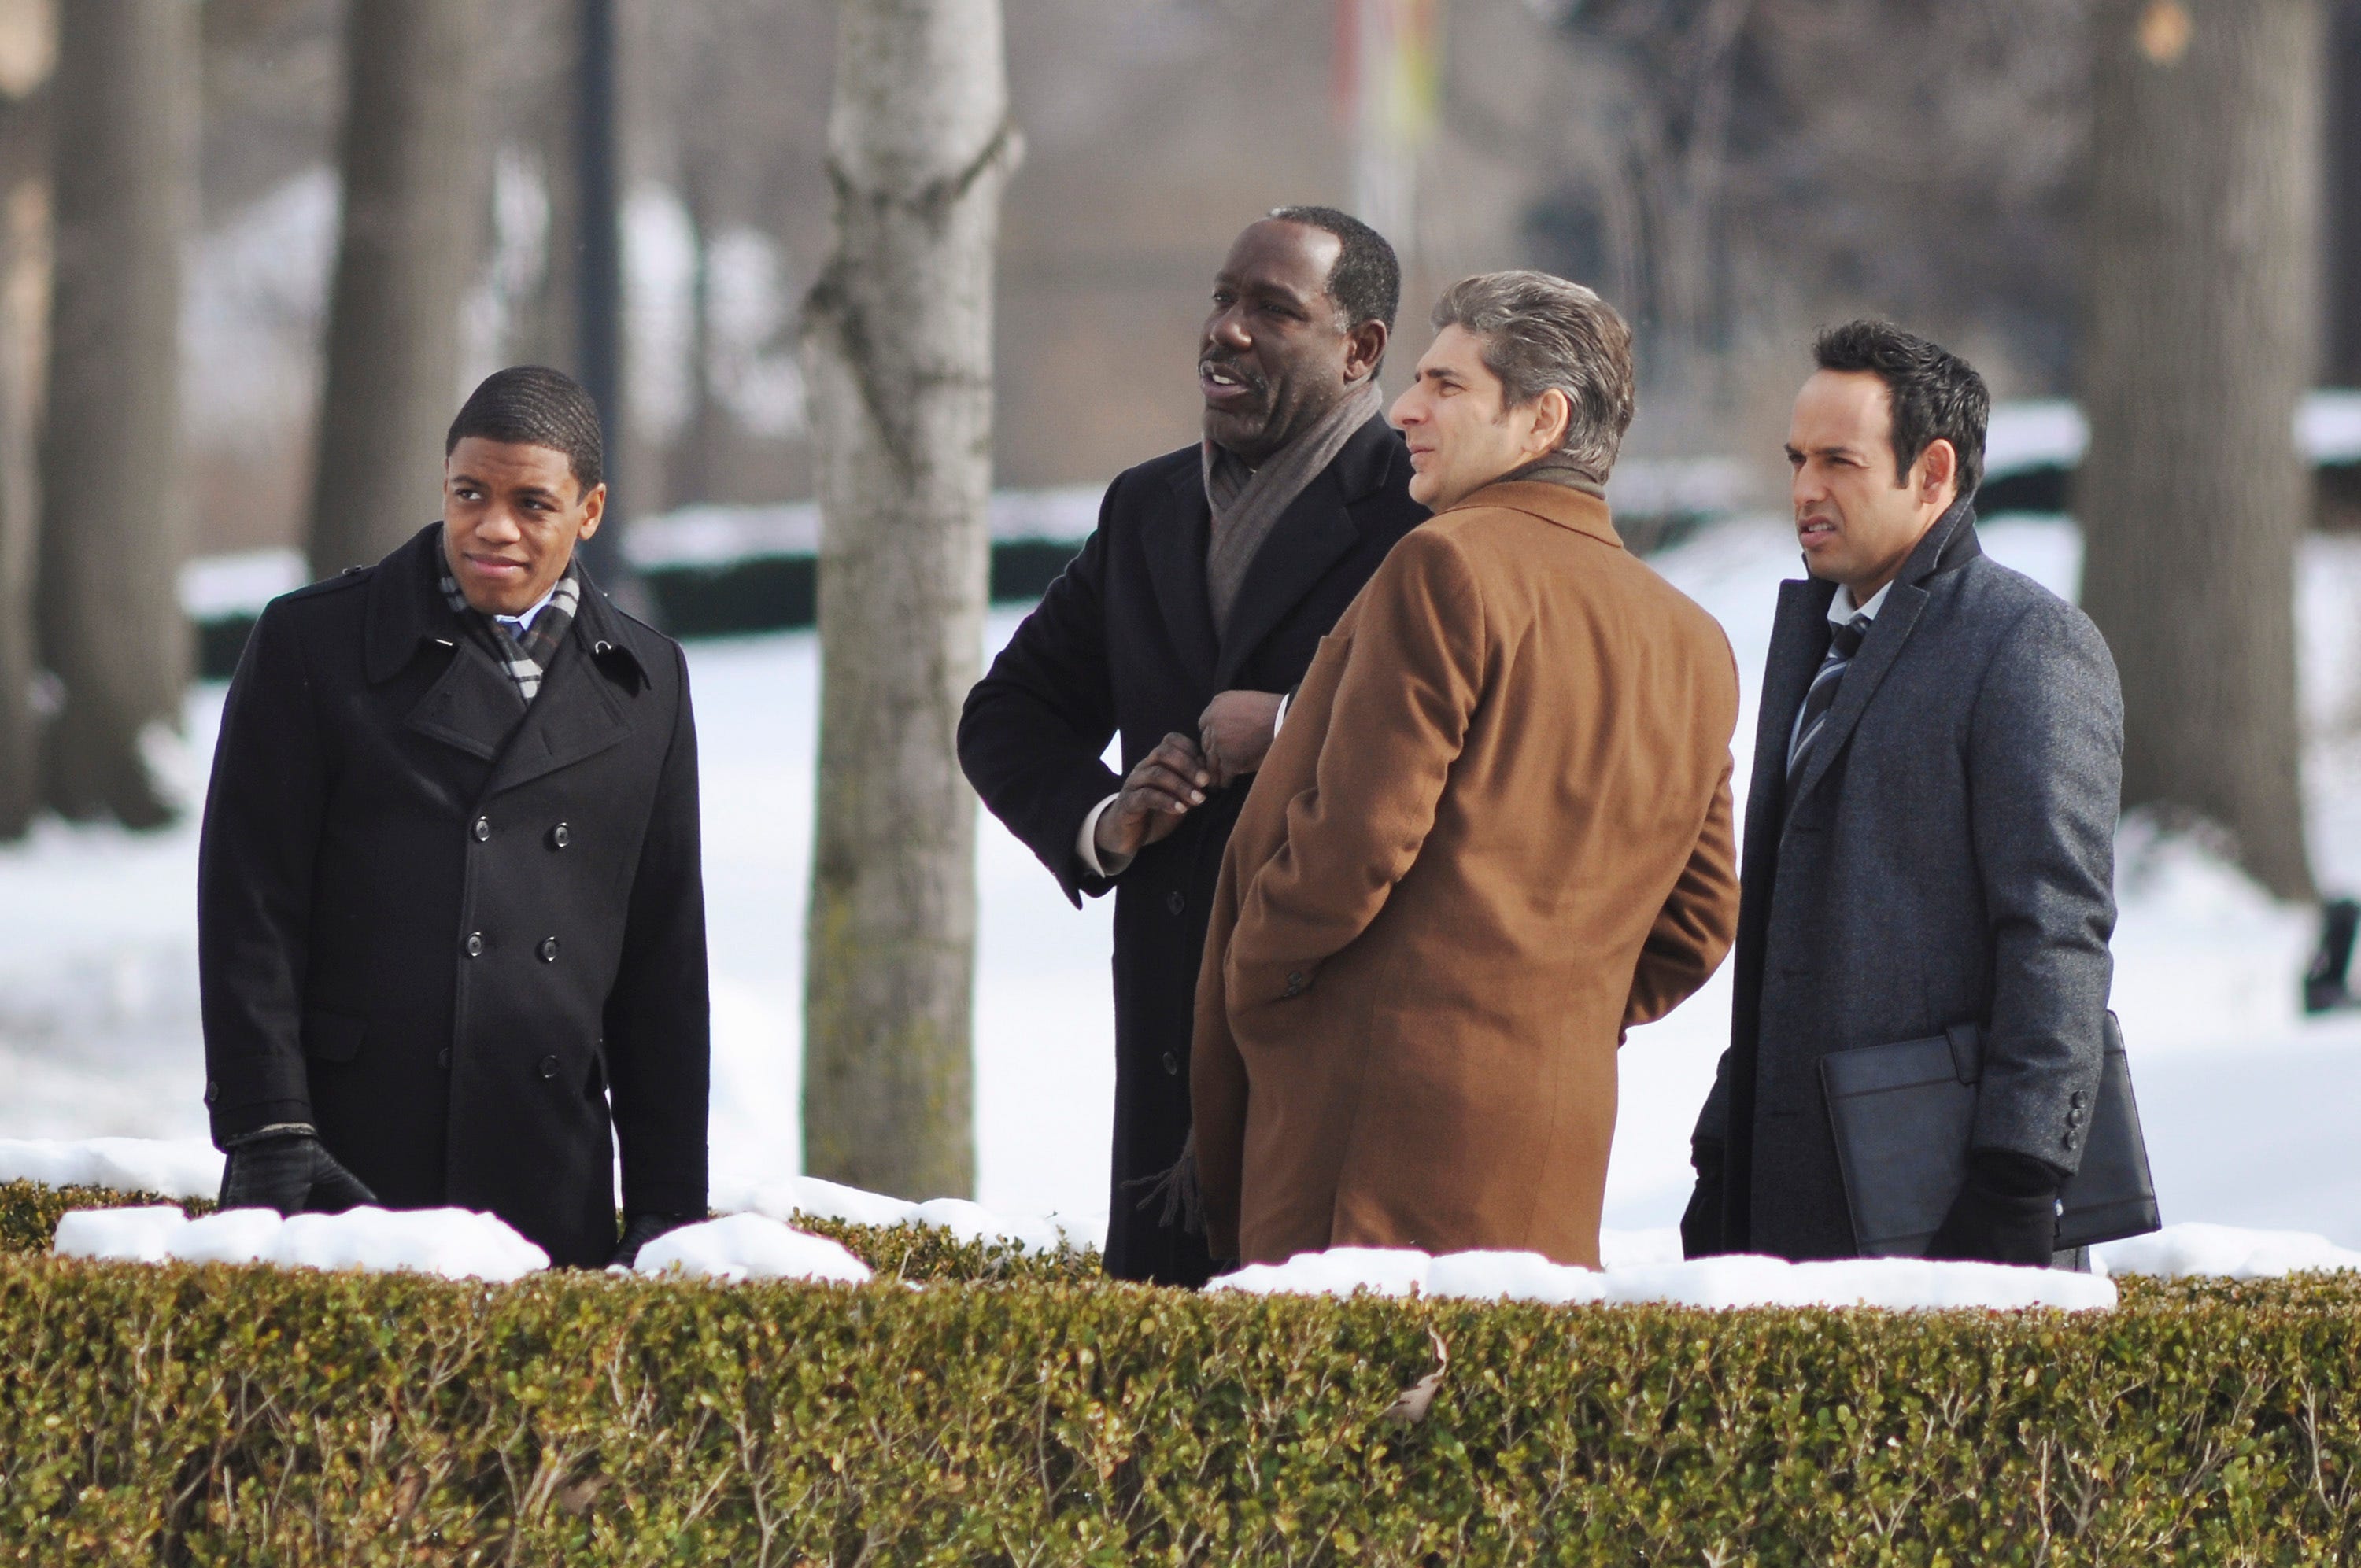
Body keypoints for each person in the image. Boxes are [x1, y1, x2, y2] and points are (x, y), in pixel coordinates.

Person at [1191, 271, 1741, 1271]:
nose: (1404, 409)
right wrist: (1552, 1015)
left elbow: (1354, 842)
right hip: (1557, 1132)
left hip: (1372, 1134)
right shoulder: (1695, 640)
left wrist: (1264, 981)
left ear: (1544, 421)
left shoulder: (1443, 565)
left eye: (1446, 386)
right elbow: (1699, 923)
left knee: (1348, 1423)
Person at [958, 208, 1427, 1286]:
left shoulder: (1421, 516)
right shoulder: (1148, 506)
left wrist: (1300, 716)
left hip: (1335, 1050)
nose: (1228, 330)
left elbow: (1475, 745)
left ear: (1361, 349)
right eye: (1223, 298)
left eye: (1274, 308)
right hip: (1170, 1057)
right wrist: (1105, 819)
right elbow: (1007, 715)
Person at [198, 366, 710, 1270]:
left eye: (532, 503)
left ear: (590, 512)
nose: (493, 527)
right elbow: (249, 904)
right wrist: (268, 1123)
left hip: (551, 1176)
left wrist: (669, 1201)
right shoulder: (312, 643)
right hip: (345, 1171)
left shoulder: (649, 681)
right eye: (469, 493)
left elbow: (663, 960)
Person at [1682, 322, 2121, 1267]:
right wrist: (1725, 1147)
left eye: (1839, 460)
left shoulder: (2029, 644)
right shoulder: (1817, 636)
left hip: (1946, 1216)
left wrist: (2017, 1177)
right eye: (1797, 458)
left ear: (1932, 472)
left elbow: (2056, 931)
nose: (1804, 489)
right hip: (1783, 1211)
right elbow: (1793, 929)